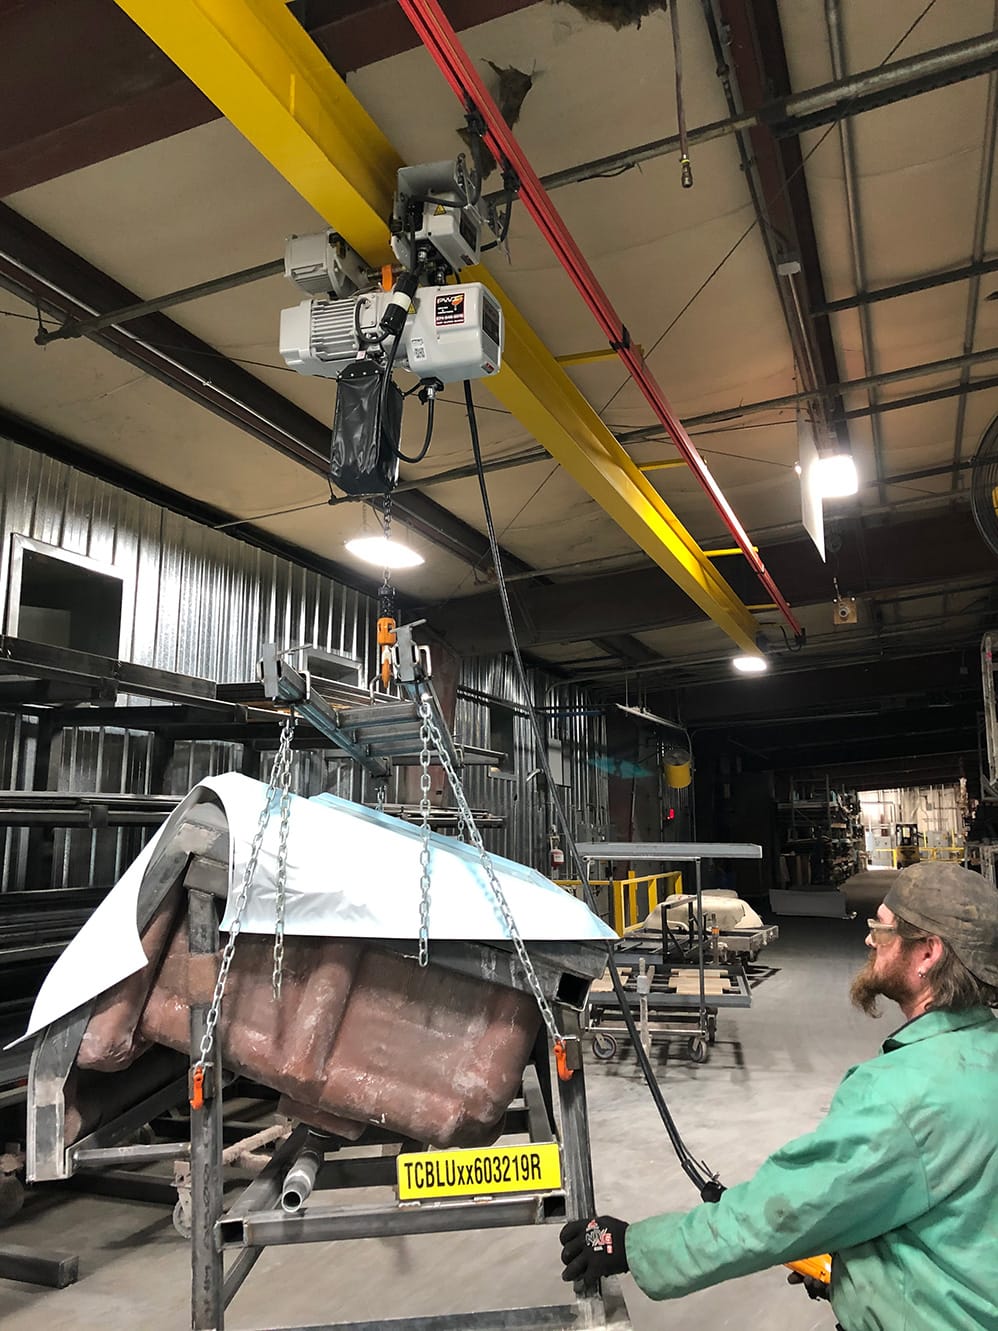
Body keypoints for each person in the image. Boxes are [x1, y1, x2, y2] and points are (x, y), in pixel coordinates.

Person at [560, 861, 998, 1330]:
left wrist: (634, 1246)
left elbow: (782, 1212)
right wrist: (859, 1275)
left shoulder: (902, 1092)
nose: (870, 940)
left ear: (927, 953)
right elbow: (957, 1223)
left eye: (882, 929)